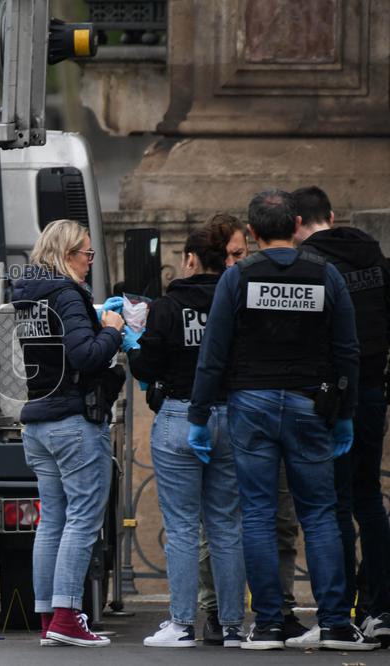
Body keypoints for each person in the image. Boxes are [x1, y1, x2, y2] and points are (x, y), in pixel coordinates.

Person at [189, 189, 377, 651]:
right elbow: (346, 350)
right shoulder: (326, 275)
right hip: (308, 405)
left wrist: (198, 414)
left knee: (256, 513)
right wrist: (346, 414)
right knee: (319, 513)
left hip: (250, 404)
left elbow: (213, 353)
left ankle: (270, 624)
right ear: (296, 225)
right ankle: (335, 623)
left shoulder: (239, 279)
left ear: (251, 233)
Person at [126, 220, 246, 648]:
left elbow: (145, 366)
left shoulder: (167, 306)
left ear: (191, 260)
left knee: (180, 526)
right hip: (230, 415)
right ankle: (232, 626)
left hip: (179, 414)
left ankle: (181, 624)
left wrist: (132, 340)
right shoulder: (236, 300)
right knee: (226, 526)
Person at [11, 219, 124, 647]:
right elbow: (85, 355)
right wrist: (112, 331)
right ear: (66, 253)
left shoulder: (27, 295)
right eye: (86, 254)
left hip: (38, 421)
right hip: (73, 423)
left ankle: (49, 619)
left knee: (51, 521)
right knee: (81, 520)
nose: (89, 263)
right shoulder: (66, 293)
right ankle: (67, 616)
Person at [197, 214, 306, 643]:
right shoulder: (214, 292)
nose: (235, 263)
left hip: (254, 411)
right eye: (229, 256)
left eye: (240, 253)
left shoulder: (253, 286)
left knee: (278, 518)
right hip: (227, 414)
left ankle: (278, 607)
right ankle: (216, 610)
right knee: (221, 523)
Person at [292, 185, 390, 647]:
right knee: (369, 497)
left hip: (325, 399)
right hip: (372, 391)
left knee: (332, 505)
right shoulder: (376, 260)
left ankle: (340, 612)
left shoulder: (308, 268)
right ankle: (381, 607)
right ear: (332, 214)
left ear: (296, 223)